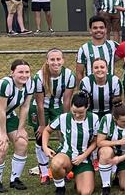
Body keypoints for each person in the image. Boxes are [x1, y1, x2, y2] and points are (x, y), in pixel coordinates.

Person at [0, 59, 34, 193]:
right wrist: (3, 134)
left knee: (22, 143)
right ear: (12, 73)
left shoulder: (30, 83)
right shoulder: (5, 84)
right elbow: (1, 110)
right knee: (2, 147)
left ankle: (15, 179)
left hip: (8, 115)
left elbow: (25, 107)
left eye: (27, 72)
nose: (24, 75)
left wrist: (21, 129)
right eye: (20, 72)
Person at [29, 49, 76, 185]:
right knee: (40, 136)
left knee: (64, 135)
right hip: (40, 107)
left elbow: (67, 100)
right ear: (47, 61)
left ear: (63, 60)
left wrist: (66, 119)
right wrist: (43, 125)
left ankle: (63, 169)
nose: (55, 62)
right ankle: (44, 173)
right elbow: (39, 103)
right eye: (52, 59)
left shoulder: (69, 75)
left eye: (58, 59)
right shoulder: (39, 77)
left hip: (58, 105)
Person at [42, 91, 100, 195]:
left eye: (81, 113)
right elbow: (47, 130)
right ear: (71, 106)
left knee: (85, 192)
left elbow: (96, 141)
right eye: (74, 111)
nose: (77, 115)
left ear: (87, 107)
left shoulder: (94, 118)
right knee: (56, 164)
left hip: (84, 158)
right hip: (66, 154)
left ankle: (80, 178)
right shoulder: (63, 117)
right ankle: (60, 188)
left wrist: (83, 156)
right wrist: (45, 147)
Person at [96, 98, 125, 194]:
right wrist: (118, 142)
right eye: (124, 121)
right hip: (110, 153)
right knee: (106, 151)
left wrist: (120, 159)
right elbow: (99, 142)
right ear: (114, 119)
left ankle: (117, 173)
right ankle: (106, 186)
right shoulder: (106, 119)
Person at [76, 15, 120, 80]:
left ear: (105, 30)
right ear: (90, 30)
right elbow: (79, 72)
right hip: (91, 87)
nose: (98, 30)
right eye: (95, 28)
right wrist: (80, 89)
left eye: (101, 27)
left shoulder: (113, 44)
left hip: (110, 86)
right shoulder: (84, 49)